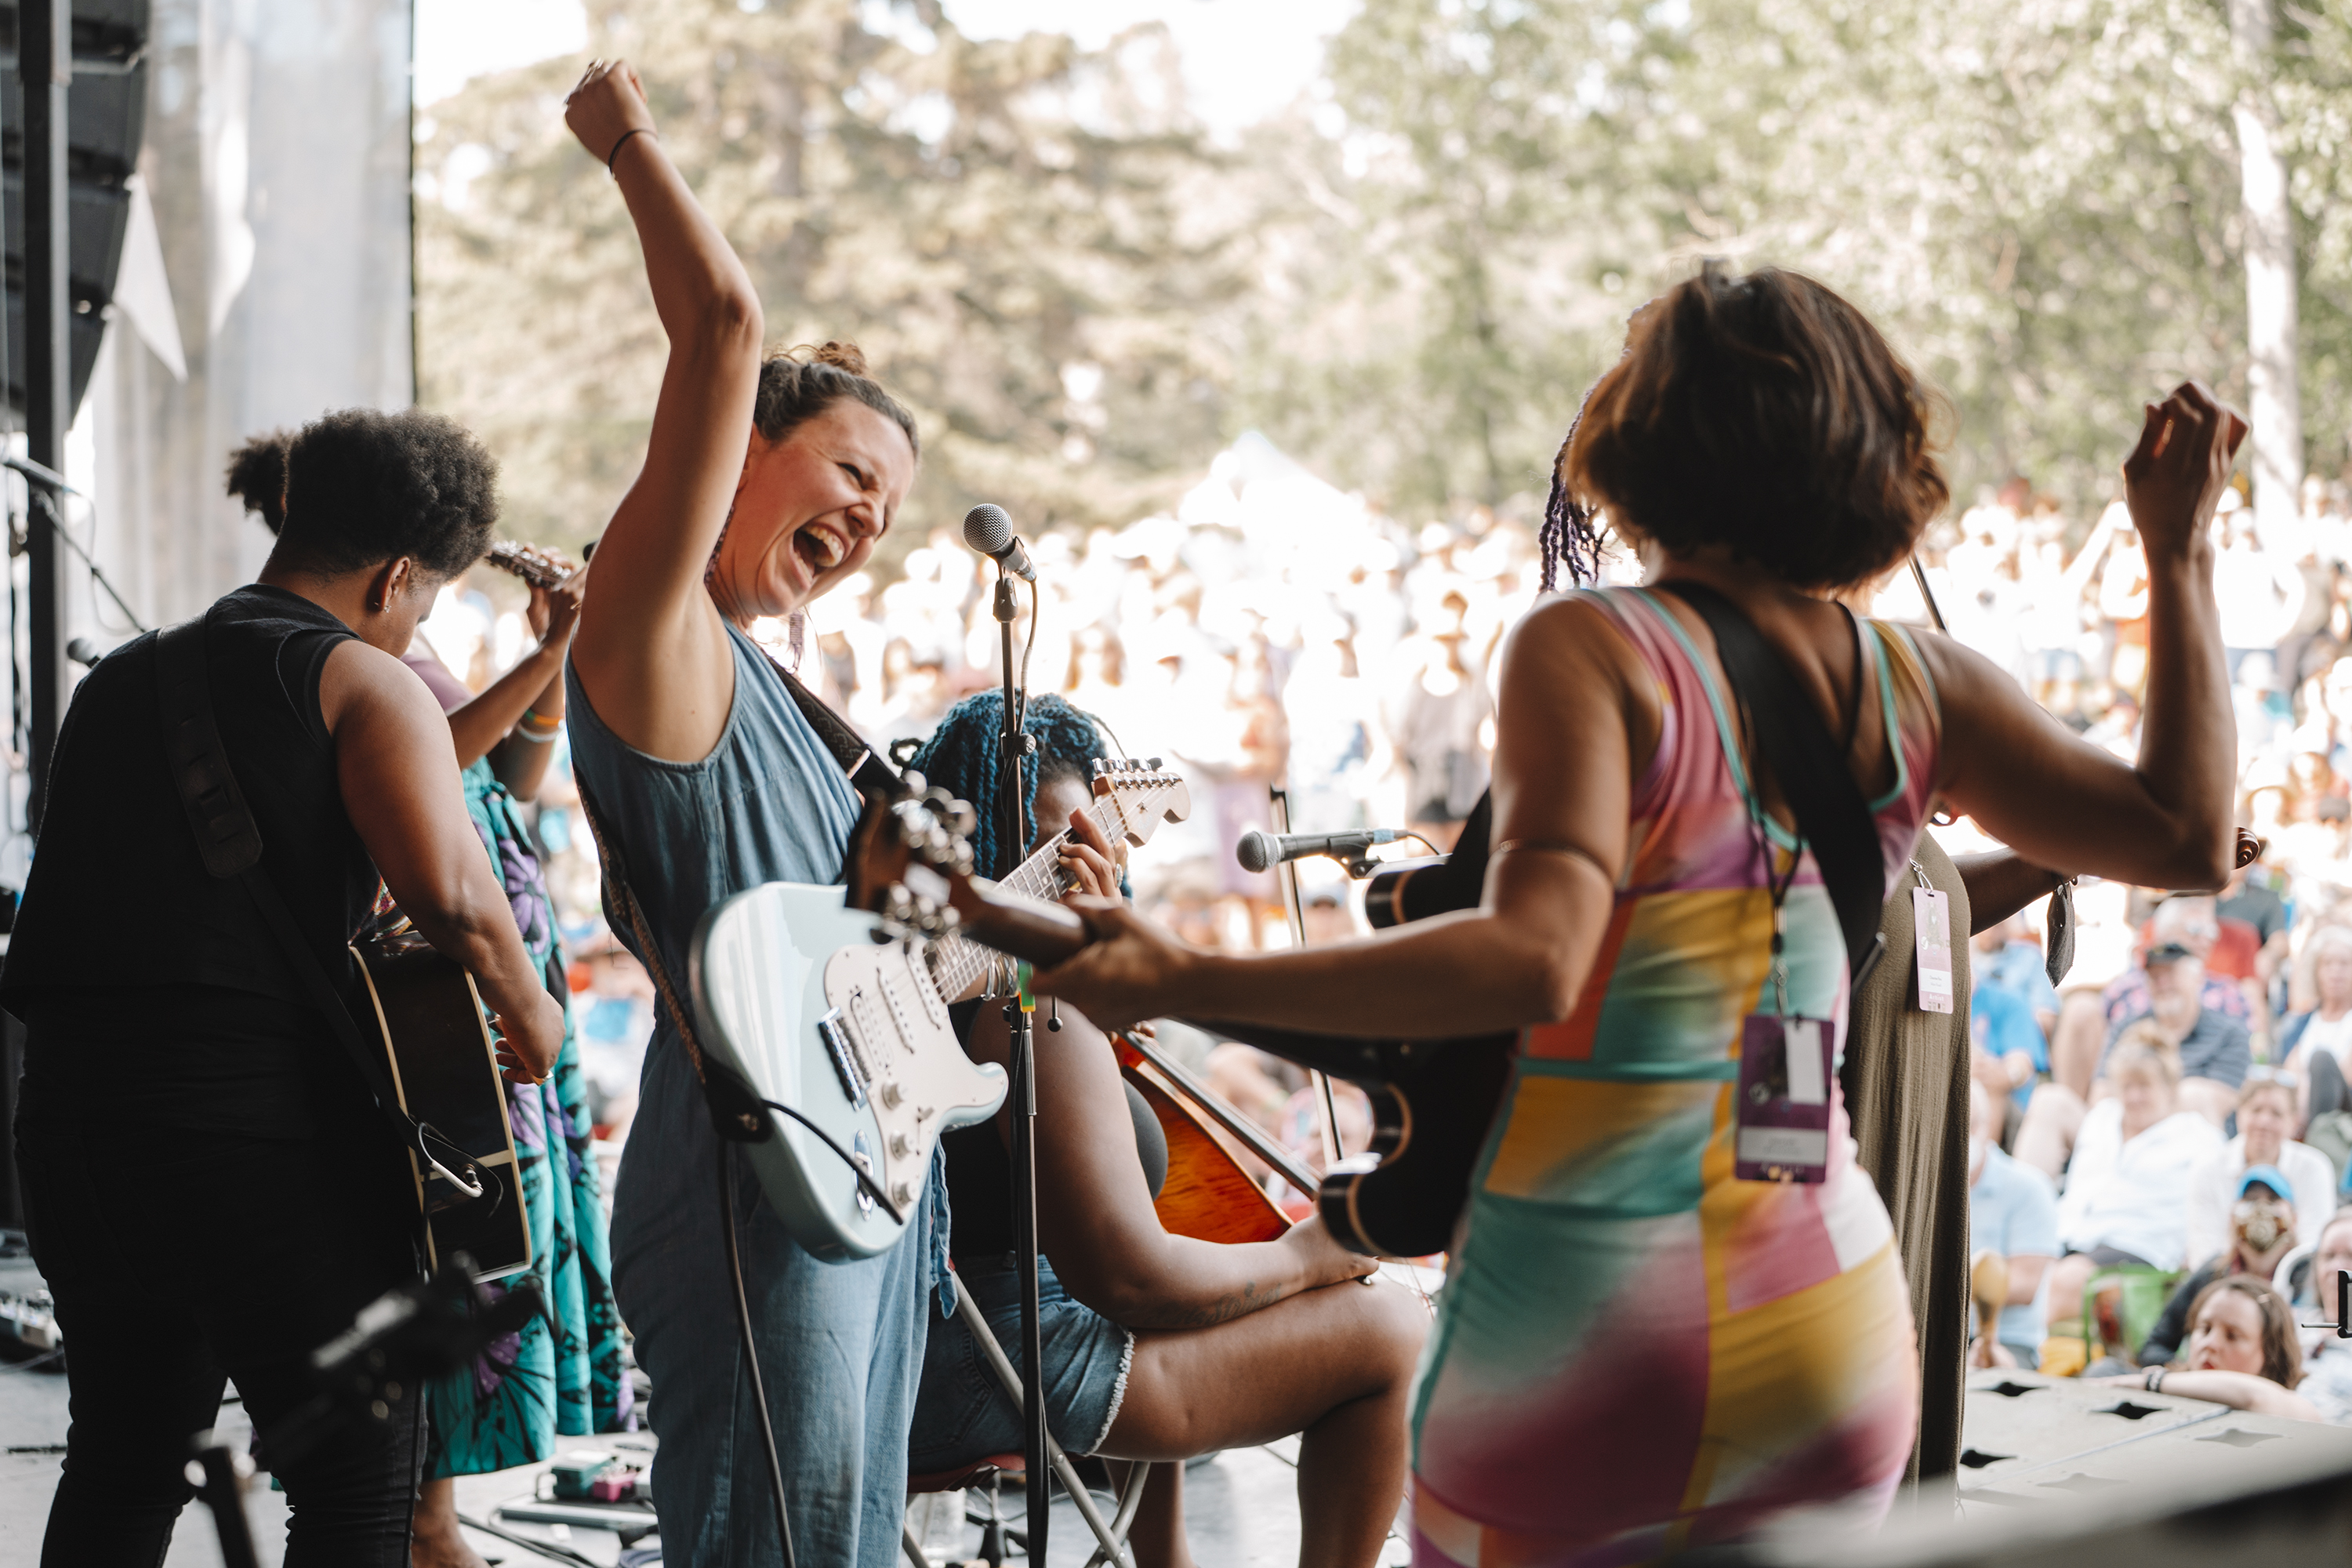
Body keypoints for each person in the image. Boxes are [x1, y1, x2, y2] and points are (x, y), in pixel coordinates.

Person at [1032, 265, 2244, 1559]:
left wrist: (1176, 977)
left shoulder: (1593, 648)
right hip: (1823, 1312)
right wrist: (2177, 552)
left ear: (1648, 432)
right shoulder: (1918, 683)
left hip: (1577, 1319)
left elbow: (1530, 959)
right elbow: (2187, 836)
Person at [2, 408, 565, 1566]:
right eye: (427, 601)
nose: (418, 622)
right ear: (400, 574)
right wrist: (538, 1018)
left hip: (75, 1140)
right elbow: (458, 902)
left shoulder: (123, 679)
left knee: (121, 1459)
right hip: (260, 1149)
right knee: (357, 1486)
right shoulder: (363, 678)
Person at [557, 61, 928, 1566]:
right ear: (747, 453)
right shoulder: (657, 634)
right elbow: (721, 328)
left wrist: (1015, 925)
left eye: (888, 516)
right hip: (748, 1186)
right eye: (848, 473)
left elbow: (876, 986)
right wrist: (625, 137)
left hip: (857, 1181)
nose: (861, 524)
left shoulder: (789, 706)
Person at [227, 434, 637, 1568]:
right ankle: (426, 1524)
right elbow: (435, 761)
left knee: (487, 1234)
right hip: (449, 977)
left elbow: (508, 781)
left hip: (491, 944)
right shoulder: (346, 650)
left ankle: (427, 1518)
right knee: (449, 1245)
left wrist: (545, 658)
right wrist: (543, 655)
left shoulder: (397, 629)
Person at [903, 692, 1425, 1568]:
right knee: (1390, 1329)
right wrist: (1311, 1253)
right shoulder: (1026, 996)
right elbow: (1131, 1281)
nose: (1066, 868)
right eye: (1042, 844)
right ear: (988, 857)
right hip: (995, 1364)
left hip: (938, 1356)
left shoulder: (949, 989)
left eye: (1081, 841)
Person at [2016, 938, 2251, 1178]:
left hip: (2183, 1141)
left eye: (2171, 974)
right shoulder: (2127, 1025)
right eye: (2154, 977)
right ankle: (2031, 1203)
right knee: (2049, 1100)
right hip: (2119, 1132)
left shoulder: (2229, 1033)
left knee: (2195, 1094)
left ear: (2196, 977)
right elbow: (2101, 1096)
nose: (2162, 984)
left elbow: (2220, 1102)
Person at [2045, 1032, 2226, 1331]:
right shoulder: (2101, 1120)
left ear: (2169, 1088)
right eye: (2127, 1087)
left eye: (2144, 1086)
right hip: (2073, 1233)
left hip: (2142, 1244)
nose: (2134, 1097)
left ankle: (2026, 1354)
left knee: (2066, 1280)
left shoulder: (2198, 1138)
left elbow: (2215, 1202)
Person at [2138, 1166, 2304, 1366]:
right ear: (2233, 1216)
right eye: (2250, 1200)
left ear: (2294, 1218)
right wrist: (2189, 1374)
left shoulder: (2308, 1275)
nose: (2261, 1208)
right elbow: (2155, 1345)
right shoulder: (2212, 1274)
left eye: (2272, 1200)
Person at [2096, 1275, 2319, 1421]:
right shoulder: (2159, 1393)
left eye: (2233, 1336)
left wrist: (2154, 1383)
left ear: (2270, 1355)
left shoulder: (2292, 1406)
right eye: (2204, 1328)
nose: (2210, 1344)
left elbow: (2257, 1398)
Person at [2184, 1074, 2337, 1269]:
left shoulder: (2315, 1167)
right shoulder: (2206, 1169)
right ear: (2239, 1113)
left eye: (2276, 1113)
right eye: (2256, 1110)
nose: (2264, 1121)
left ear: (2294, 1121)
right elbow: (2204, 1253)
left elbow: (2312, 1249)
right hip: (2226, 1279)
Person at [1965, 1081, 2060, 1370]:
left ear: (1986, 1124)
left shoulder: (2028, 1188)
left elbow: (2024, 1285)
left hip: (2009, 1344)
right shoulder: (1920, 1187)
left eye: (1968, 1125)